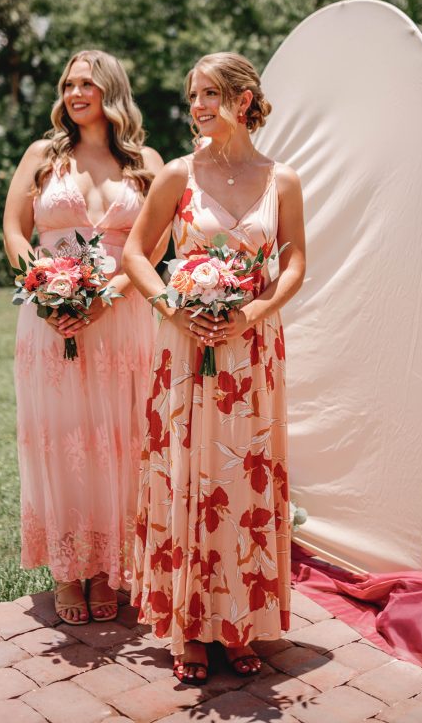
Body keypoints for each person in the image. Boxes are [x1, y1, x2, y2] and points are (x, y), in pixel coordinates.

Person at [123, 51, 305, 683]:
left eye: (208, 95)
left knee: (242, 484)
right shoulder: (178, 174)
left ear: (244, 100)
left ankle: (241, 622)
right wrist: (173, 306)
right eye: (192, 95)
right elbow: (134, 256)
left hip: (252, 352)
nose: (196, 106)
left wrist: (256, 311)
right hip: (187, 352)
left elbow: (296, 264)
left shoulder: (283, 180)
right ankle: (188, 626)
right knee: (189, 477)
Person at [3, 50, 164, 625]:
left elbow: (156, 245)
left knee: (118, 439)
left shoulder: (145, 161)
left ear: (111, 91)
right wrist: (44, 287)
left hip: (120, 320)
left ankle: (106, 570)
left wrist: (108, 295)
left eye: (87, 84)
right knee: (61, 438)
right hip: (50, 319)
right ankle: (68, 570)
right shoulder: (43, 157)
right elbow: (15, 230)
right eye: (68, 83)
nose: (75, 93)